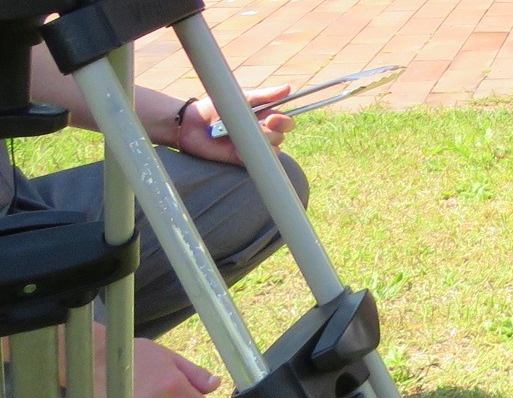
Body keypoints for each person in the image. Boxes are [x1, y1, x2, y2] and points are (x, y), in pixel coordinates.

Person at [6, 44, 305, 398]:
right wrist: (96, 356)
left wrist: (179, 121)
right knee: (79, 358)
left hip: (16, 205)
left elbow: (11, 56)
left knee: (265, 188)